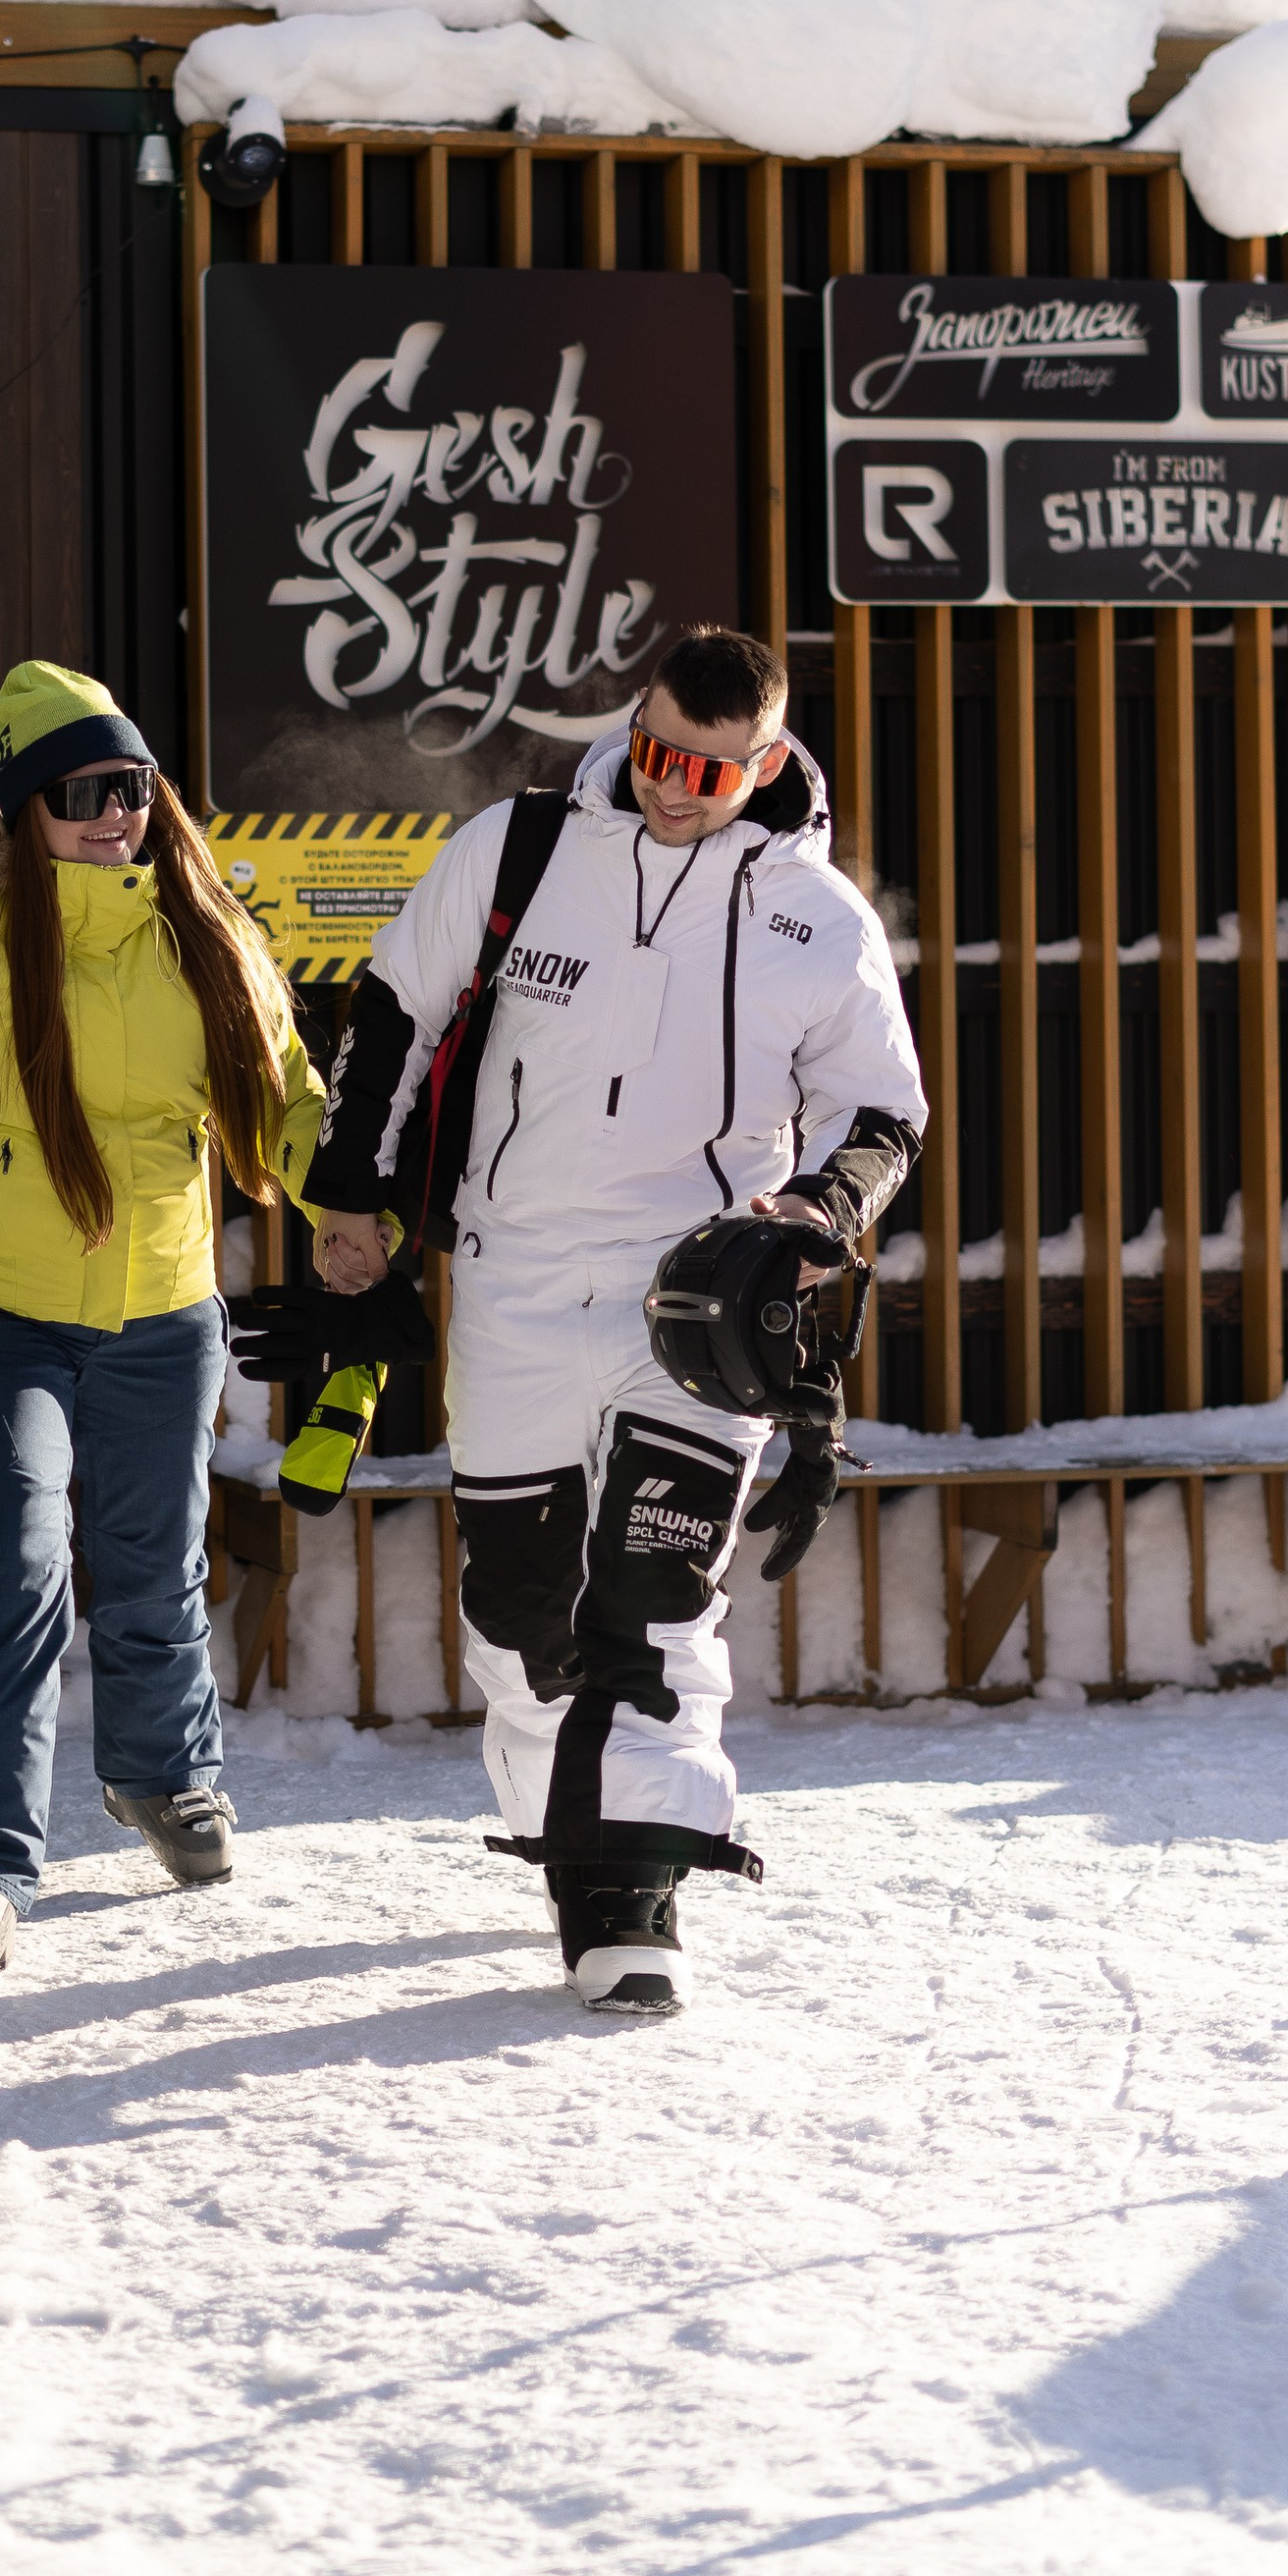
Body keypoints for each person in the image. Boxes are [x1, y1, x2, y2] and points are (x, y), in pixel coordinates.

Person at [305, 625, 926, 2015]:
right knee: (524, 1606)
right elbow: (393, 1011)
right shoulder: (521, 849)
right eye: (653, 753)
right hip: (515, 1278)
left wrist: (821, 1213)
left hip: (697, 1301)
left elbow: (884, 1112)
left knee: (654, 1594)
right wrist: (351, 1196)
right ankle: (563, 1822)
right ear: (628, 726)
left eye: (710, 770)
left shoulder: (816, 914)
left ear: (765, 761)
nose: (674, 789)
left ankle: (630, 1886)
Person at [0, 662, 327, 1979]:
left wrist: (351, 1209)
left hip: (162, 1308)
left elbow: (287, 1102)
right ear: (28, 808)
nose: (116, 815)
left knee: (150, 1563)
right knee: (17, 1562)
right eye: (84, 793)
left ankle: (164, 1774)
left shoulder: (206, 927)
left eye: (133, 789)